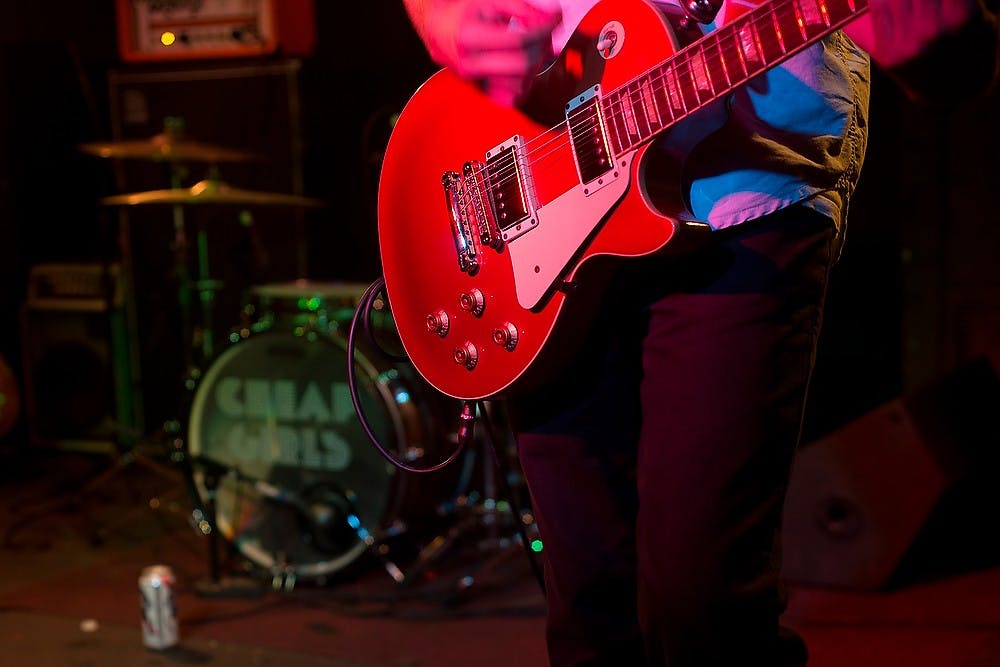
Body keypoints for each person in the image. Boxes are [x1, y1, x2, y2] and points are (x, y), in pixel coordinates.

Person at [396, 1, 994, 665]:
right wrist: (442, 14)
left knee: (701, 600)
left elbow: (953, 58)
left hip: (749, 187)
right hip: (540, 160)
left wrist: (950, 50)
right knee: (589, 605)